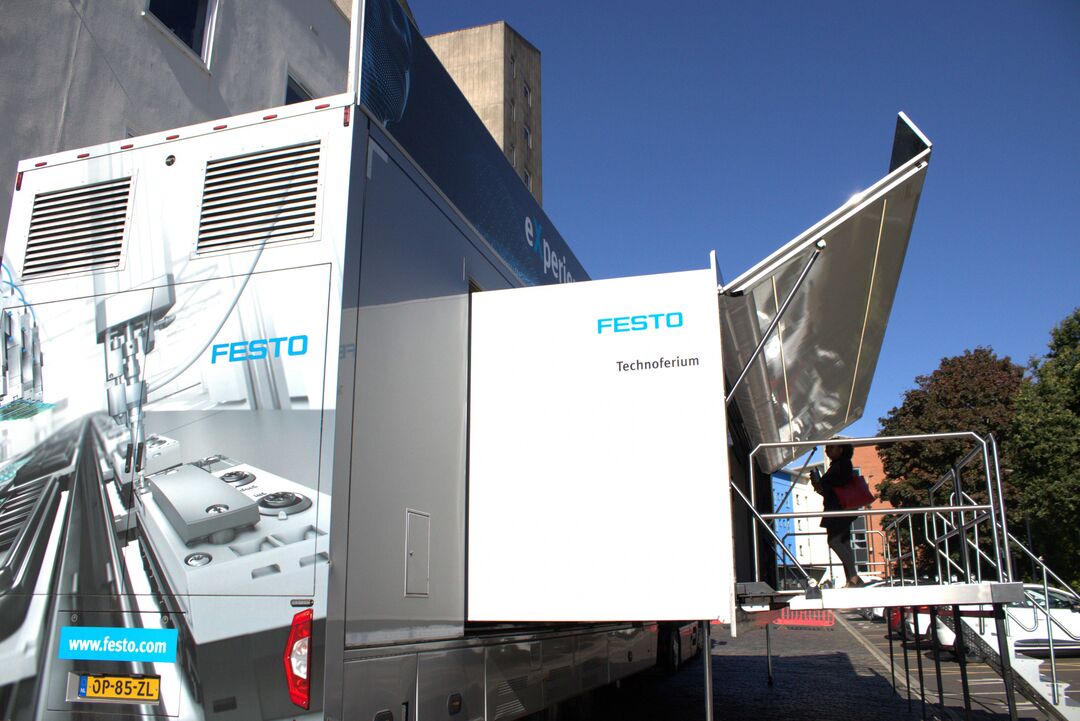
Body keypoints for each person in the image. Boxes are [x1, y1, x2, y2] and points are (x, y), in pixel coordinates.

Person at [813, 443, 863, 588]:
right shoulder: (837, 464)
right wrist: (819, 485)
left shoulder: (843, 463)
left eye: (831, 448)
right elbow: (830, 490)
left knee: (835, 541)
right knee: (844, 543)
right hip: (836, 508)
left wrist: (821, 483)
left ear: (841, 449)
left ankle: (853, 577)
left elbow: (840, 484)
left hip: (839, 509)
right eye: (827, 448)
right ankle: (851, 579)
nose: (828, 450)